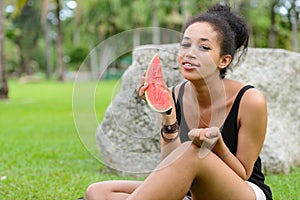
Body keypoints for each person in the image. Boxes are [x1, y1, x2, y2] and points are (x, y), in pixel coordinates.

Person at [84, 3, 272, 200]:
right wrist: (168, 113)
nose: (190, 53)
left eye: (204, 47)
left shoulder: (249, 100)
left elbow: (244, 172)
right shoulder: (172, 96)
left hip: (244, 191)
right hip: (193, 191)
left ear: (223, 60)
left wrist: (218, 146)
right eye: (185, 44)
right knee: (99, 191)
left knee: (191, 151)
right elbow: (169, 165)